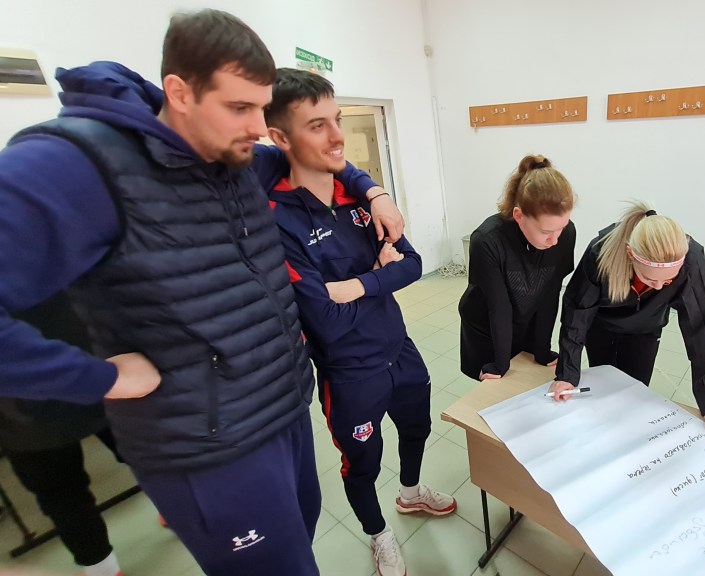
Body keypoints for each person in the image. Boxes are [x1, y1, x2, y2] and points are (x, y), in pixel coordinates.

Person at [0, 10, 404, 576]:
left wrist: (373, 189)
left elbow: (319, 154)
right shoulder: (77, 162)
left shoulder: (239, 156)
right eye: (240, 108)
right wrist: (100, 379)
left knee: (300, 544)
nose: (258, 128)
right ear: (179, 92)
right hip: (205, 444)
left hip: (282, 409)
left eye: (262, 108)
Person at [264, 68, 455, 576]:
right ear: (280, 138)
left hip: (400, 350)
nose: (337, 136)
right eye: (317, 125)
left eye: (337, 119)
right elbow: (325, 322)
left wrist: (358, 285)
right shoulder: (277, 219)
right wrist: (378, 274)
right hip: (349, 374)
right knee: (362, 464)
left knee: (416, 429)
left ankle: (411, 493)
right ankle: (379, 534)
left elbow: (413, 264)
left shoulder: (360, 198)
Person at [551, 201, 705, 447]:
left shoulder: (691, 261)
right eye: (650, 279)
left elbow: (700, 330)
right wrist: (567, 375)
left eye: (667, 282)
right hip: (601, 324)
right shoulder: (601, 251)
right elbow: (576, 314)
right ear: (630, 256)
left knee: (635, 390)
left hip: (647, 328)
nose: (659, 287)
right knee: (604, 383)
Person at [0, 293, 122, 576]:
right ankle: (179, 515)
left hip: (19, 393)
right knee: (147, 456)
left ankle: (104, 571)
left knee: (61, 494)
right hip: (84, 349)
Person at [458, 154, 576, 381]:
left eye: (562, 227)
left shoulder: (565, 234)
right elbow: (498, 307)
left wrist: (542, 350)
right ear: (519, 215)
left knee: (528, 378)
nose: (555, 240)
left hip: (528, 318)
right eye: (546, 232)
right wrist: (500, 365)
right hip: (488, 326)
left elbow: (550, 294)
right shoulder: (488, 240)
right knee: (494, 387)